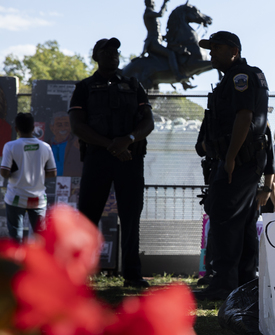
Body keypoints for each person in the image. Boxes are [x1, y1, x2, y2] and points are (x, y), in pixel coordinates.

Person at [68, 38, 155, 288]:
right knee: (87, 216)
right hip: (99, 159)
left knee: (130, 216)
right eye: (106, 51)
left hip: (130, 157)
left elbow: (148, 123)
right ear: (96, 56)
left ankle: (132, 274)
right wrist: (111, 145)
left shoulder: (133, 85)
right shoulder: (84, 87)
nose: (113, 55)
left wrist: (127, 140)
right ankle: (77, 274)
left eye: (116, 51)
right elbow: (77, 126)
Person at [193, 31, 272, 300]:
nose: (211, 53)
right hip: (244, 161)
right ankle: (243, 281)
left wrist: (228, 158)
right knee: (243, 222)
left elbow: (244, 116)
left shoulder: (240, 76)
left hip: (237, 161)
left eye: (216, 48)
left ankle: (224, 284)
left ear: (233, 51)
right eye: (210, 48)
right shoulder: (237, 77)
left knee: (226, 222)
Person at [1, 112, 57, 242]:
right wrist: (38, 174)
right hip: (38, 198)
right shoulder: (45, 147)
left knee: (16, 237)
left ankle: (17, 261)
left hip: (16, 197)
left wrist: (16, 173)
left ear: (16, 129)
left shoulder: (10, 146)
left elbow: (4, 172)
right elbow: (53, 172)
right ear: (33, 128)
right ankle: (38, 262)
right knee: (40, 237)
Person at [141, 0, 188, 82]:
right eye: (151, 2)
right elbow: (160, 14)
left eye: (153, 2)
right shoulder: (148, 13)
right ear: (148, 3)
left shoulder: (150, 14)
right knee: (170, 54)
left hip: (158, 40)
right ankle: (177, 75)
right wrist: (164, 3)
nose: (153, 3)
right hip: (153, 42)